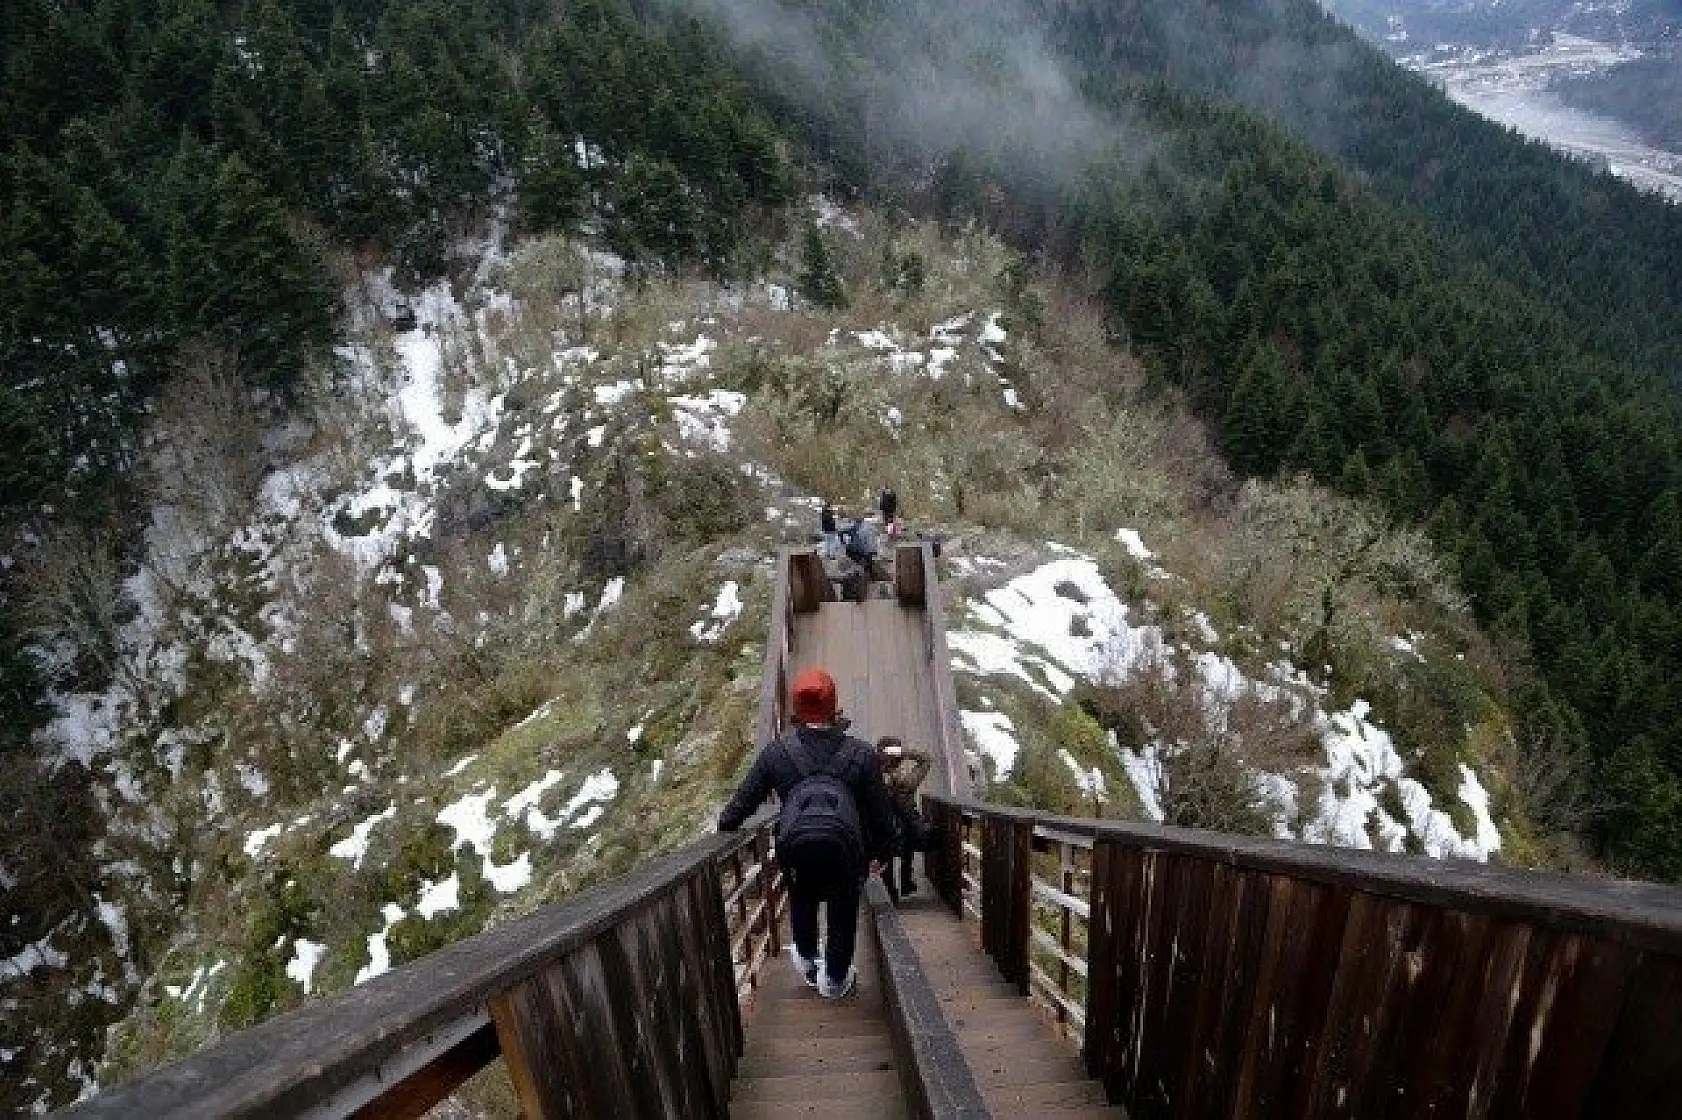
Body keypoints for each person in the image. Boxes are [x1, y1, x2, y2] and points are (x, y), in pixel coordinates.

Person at [718, 668, 896, 999]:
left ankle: (808, 960)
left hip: (797, 850)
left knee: (802, 899)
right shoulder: (862, 754)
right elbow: (881, 815)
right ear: (833, 704)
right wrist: (881, 854)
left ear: (797, 707)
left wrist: (727, 827)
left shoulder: (777, 753)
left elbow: (739, 806)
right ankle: (835, 980)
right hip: (847, 853)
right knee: (843, 911)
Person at [876, 737, 931, 899]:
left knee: (885, 854)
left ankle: (890, 892)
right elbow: (926, 760)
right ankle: (906, 882)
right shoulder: (906, 782)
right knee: (908, 842)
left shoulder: (873, 778)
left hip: (883, 829)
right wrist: (903, 752)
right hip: (906, 828)